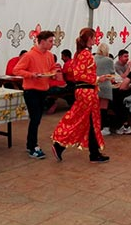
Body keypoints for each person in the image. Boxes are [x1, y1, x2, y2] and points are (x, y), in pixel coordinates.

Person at [51, 28, 110, 163]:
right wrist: (97, 79)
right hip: (87, 92)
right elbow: (80, 75)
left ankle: (93, 153)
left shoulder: (79, 54)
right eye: (94, 37)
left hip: (84, 91)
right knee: (85, 121)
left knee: (87, 122)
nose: (95, 40)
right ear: (89, 38)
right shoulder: (86, 54)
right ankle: (60, 145)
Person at [13, 31, 58, 159]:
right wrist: (31, 75)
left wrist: (53, 73)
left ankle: (30, 144)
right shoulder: (29, 55)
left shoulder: (49, 55)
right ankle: (33, 146)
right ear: (42, 41)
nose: (52, 44)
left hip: (43, 90)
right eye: (50, 41)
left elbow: (52, 68)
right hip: (31, 90)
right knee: (35, 118)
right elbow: (16, 70)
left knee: (37, 118)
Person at [95, 43, 115, 136]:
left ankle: (97, 126)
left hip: (96, 84)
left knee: (96, 107)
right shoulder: (109, 60)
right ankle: (105, 127)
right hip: (105, 85)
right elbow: (112, 73)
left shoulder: (93, 58)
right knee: (104, 108)